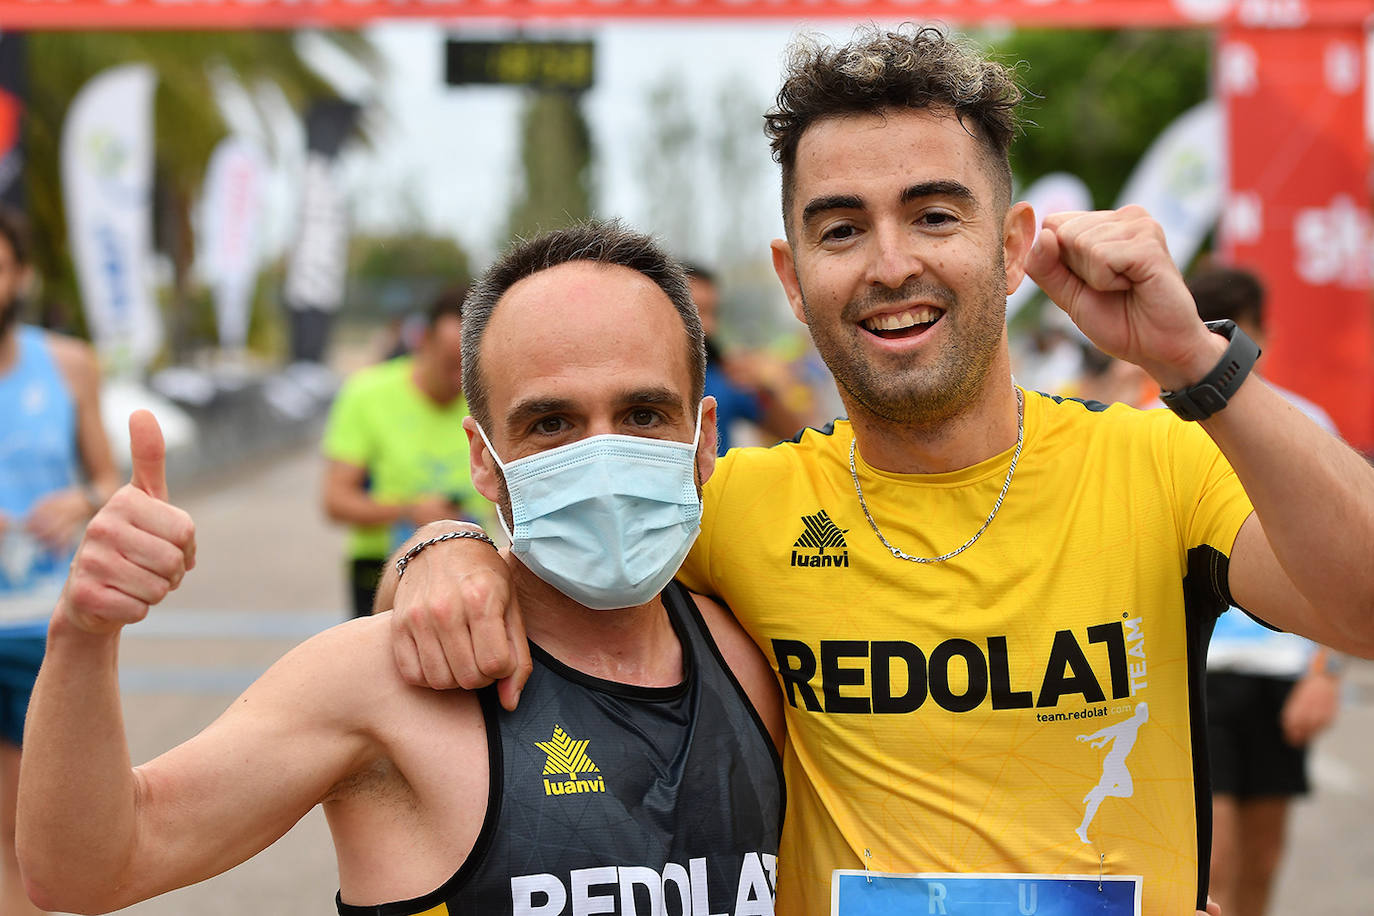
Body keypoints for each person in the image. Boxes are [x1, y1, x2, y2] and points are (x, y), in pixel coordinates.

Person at [380, 25, 1374, 916]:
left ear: (1012, 244)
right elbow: (533, 567)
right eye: (842, 228)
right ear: (792, 276)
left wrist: (1195, 361)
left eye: (936, 215)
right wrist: (447, 547)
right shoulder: (736, 505)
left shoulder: (1159, 463)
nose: (890, 263)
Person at [16, 221, 784, 916]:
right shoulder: (380, 685)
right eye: (551, 423)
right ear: (484, 460)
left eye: (644, 414)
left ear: (703, 435)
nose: (603, 457)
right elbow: (87, 872)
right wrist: (84, 632)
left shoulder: (763, 662)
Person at [1187, 264, 1345, 916]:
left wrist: (1323, 673)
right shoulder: (1144, 426)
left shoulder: (1304, 425)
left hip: (1280, 671)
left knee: (1261, 859)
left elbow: (1337, 565)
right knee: (1213, 862)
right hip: (1197, 671)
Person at [0, 206, 119, 916]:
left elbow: (108, 479)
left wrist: (79, 500)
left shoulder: (69, 364)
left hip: (47, 628)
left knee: (45, 831)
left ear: (21, 275)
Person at [322, 285, 490, 617]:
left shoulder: (486, 398)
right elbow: (335, 500)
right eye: (450, 363)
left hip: (473, 565)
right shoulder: (366, 394)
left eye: (470, 365)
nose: (460, 379)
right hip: (380, 567)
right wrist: (410, 511)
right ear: (422, 341)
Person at [684, 263, 811, 453]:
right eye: (696, 312)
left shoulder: (723, 376)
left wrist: (763, 388)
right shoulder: (638, 375)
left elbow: (797, 436)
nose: (708, 326)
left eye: (713, 312)